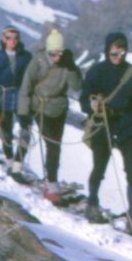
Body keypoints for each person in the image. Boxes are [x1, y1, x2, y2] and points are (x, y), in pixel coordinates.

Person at [79, 32, 132, 235]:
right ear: (108, 50)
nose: (119, 56)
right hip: (103, 124)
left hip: (126, 124)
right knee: (100, 166)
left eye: (122, 51)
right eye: (115, 52)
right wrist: (94, 107)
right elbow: (83, 100)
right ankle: (92, 204)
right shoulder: (96, 71)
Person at [15, 28, 82, 202]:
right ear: (48, 51)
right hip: (39, 106)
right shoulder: (37, 61)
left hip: (58, 108)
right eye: (53, 54)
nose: (56, 57)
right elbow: (26, 86)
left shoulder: (67, 63)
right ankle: (20, 167)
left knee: (55, 145)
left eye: (59, 53)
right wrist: (23, 112)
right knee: (43, 139)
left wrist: (72, 68)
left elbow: (76, 86)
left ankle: (51, 180)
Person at [0, 26, 32, 168]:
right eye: (9, 37)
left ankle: (18, 163)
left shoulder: (26, 57)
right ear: (3, 39)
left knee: (26, 129)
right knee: (5, 130)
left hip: (21, 96)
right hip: (2, 97)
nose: (13, 41)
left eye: (16, 38)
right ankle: (10, 160)